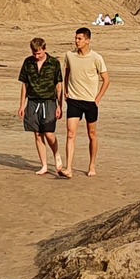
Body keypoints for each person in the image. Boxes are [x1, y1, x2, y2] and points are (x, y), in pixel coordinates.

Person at [59, 26, 109, 179]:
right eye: (76, 38)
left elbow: (106, 80)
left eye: (80, 39)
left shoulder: (96, 58)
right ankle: (68, 168)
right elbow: (66, 73)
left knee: (92, 134)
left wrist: (98, 99)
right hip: (74, 100)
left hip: (90, 102)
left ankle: (92, 165)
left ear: (88, 40)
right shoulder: (69, 55)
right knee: (70, 133)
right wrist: (66, 90)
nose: (76, 41)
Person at [17, 37, 63, 174]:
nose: (36, 56)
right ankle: (44, 165)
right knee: (38, 134)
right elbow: (24, 85)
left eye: (39, 53)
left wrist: (60, 106)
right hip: (32, 101)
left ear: (44, 49)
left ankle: (56, 154)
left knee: (49, 133)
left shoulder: (54, 63)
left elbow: (59, 86)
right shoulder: (28, 62)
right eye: (34, 53)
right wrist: (21, 105)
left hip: (49, 101)